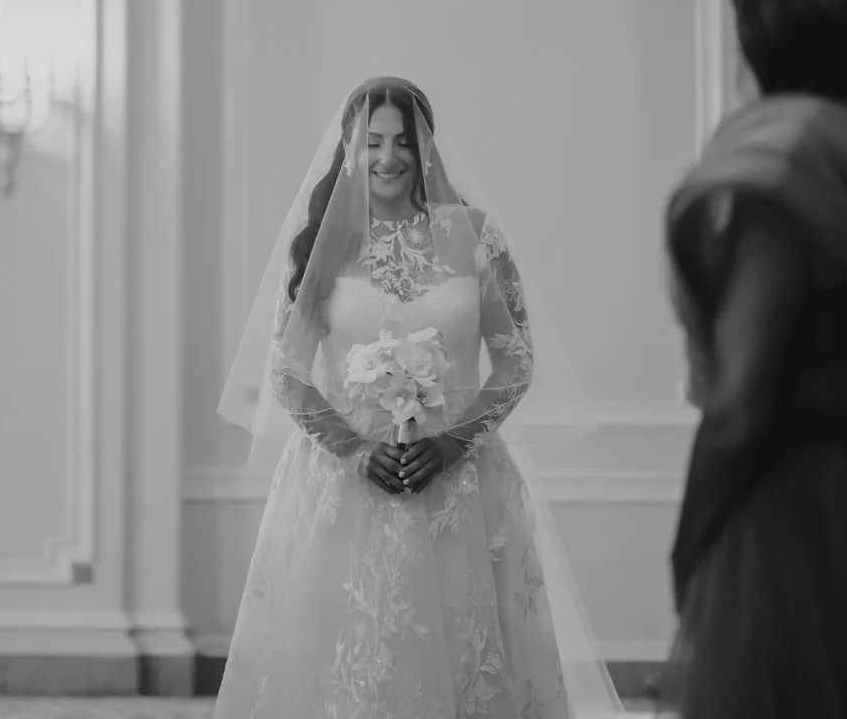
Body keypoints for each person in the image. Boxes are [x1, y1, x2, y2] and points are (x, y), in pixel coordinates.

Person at [214, 77, 620, 717]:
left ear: (427, 146)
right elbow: (287, 371)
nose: (388, 156)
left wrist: (454, 442)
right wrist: (352, 448)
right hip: (343, 483)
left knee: (464, 652)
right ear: (349, 149)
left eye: (404, 140)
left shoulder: (476, 237)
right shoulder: (321, 245)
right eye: (372, 141)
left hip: (459, 482)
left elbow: (515, 360)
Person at [664, 0, 847, 718]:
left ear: (768, 38)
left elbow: (742, 402)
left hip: (797, 527)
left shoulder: (788, 165)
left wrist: (692, 543)